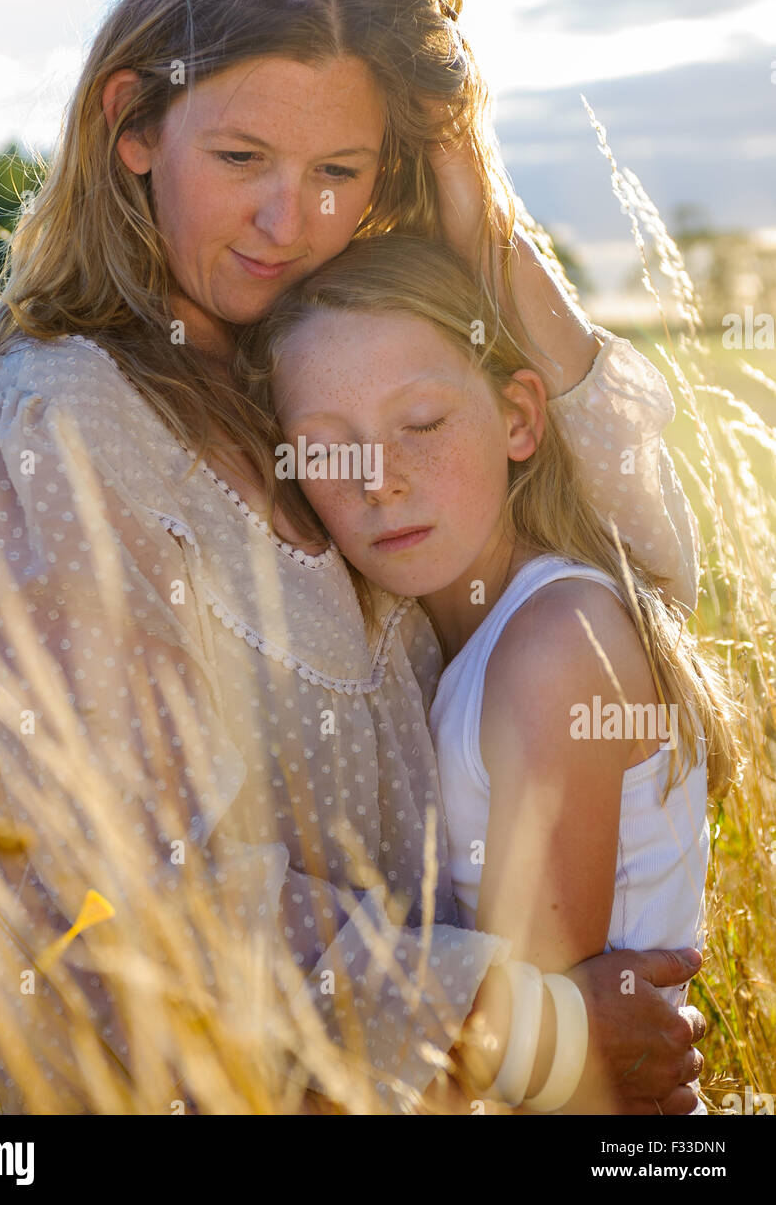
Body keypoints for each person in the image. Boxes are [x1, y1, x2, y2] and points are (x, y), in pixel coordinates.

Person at [0, 0, 705, 1115]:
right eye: (241, 158)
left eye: (339, 168)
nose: (289, 220)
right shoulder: (65, 422)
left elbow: (644, 569)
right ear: (132, 123)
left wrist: (486, 232)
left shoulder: (321, 381)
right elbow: (135, 885)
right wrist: (531, 1032)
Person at [246, 230, 737, 1112]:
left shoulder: (552, 645)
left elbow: (557, 1077)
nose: (379, 482)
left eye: (422, 424)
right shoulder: (422, 645)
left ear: (518, 418)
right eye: (326, 448)